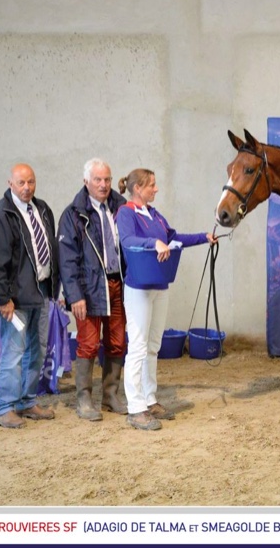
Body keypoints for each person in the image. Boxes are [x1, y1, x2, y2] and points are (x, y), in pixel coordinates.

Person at [116, 168, 215, 430]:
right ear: (138, 188)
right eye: (152, 185)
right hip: (138, 286)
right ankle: (135, 407)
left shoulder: (154, 214)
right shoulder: (126, 212)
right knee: (137, 346)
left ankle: (149, 399)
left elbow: (173, 238)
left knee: (152, 345)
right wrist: (153, 243)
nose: (156, 189)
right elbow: (127, 240)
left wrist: (203, 238)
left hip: (159, 284)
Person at [0, 163, 60, 429]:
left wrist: (55, 289)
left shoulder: (43, 209)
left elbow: (50, 249)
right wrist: (2, 298)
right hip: (16, 300)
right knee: (13, 353)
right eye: (21, 183)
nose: (27, 188)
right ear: (10, 183)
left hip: (41, 293)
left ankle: (27, 401)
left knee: (37, 352)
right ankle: (4, 408)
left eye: (31, 182)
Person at [58, 158, 128, 421]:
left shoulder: (120, 207)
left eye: (107, 179)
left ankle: (110, 394)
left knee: (117, 341)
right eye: (98, 179)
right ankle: (84, 399)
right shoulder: (73, 215)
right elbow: (66, 259)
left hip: (117, 284)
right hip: (88, 289)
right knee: (88, 344)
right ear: (86, 181)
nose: (103, 184)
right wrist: (74, 295)